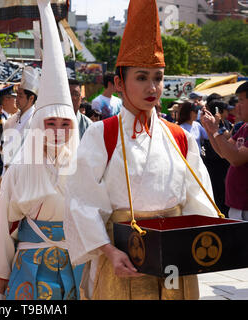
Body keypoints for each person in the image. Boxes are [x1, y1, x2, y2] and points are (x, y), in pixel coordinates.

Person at [64, 0, 218, 300]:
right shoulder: (102, 134)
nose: (152, 88)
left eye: (158, 78)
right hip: (121, 256)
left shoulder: (178, 136)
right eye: (142, 77)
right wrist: (107, 251)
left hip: (176, 256)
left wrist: (201, 240)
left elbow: (198, 199)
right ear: (119, 83)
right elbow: (80, 201)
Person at [0, 0, 83, 300]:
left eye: (66, 123)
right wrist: (0, 286)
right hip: (29, 267)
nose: (59, 130)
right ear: (38, 125)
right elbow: (2, 230)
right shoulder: (21, 169)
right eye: (51, 123)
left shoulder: (86, 166)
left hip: (75, 267)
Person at [201, 81, 248, 221]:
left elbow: (235, 158)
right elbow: (223, 152)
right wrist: (210, 130)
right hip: (238, 205)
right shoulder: (244, 127)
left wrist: (215, 132)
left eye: (241, 101)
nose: (236, 106)